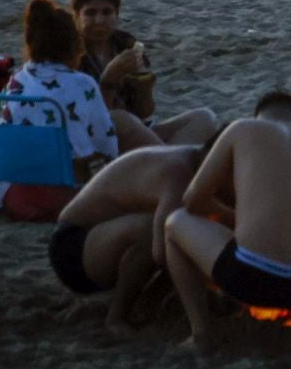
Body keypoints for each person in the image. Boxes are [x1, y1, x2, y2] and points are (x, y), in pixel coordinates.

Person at [163, 91, 291, 351]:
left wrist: (237, 218)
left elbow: (193, 200)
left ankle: (202, 334)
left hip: (251, 279)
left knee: (175, 221)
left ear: (259, 115)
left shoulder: (241, 128)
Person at [50, 137, 215, 333]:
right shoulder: (181, 172)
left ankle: (147, 303)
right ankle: (116, 318)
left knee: (179, 240)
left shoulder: (194, 159)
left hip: (104, 236)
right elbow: (162, 254)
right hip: (72, 248)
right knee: (162, 236)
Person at [0, 0, 123, 217]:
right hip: (62, 196)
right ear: (74, 44)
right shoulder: (81, 83)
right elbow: (107, 143)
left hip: (14, 197)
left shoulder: (16, 80)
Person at [69, 0, 215, 148]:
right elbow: (90, 119)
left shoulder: (125, 45)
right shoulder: (70, 53)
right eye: (90, 13)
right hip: (97, 136)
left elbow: (144, 113)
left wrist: (143, 89)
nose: (99, 20)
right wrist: (109, 81)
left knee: (204, 118)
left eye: (107, 12)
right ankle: (169, 161)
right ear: (77, 17)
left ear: (117, 15)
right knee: (121, 119)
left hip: (135, 129)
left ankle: (166, 160)